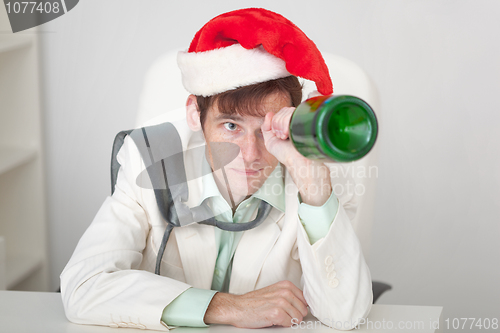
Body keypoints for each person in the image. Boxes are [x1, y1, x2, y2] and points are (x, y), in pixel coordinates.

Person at [60, 8, 372, 331]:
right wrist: (229, 307)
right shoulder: (149, 162)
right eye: (232, 126)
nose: (251, 155)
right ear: (195, 115)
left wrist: (314, 189)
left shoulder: (317, 179)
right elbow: (83, 286)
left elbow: (345, 315)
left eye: (267, 130)